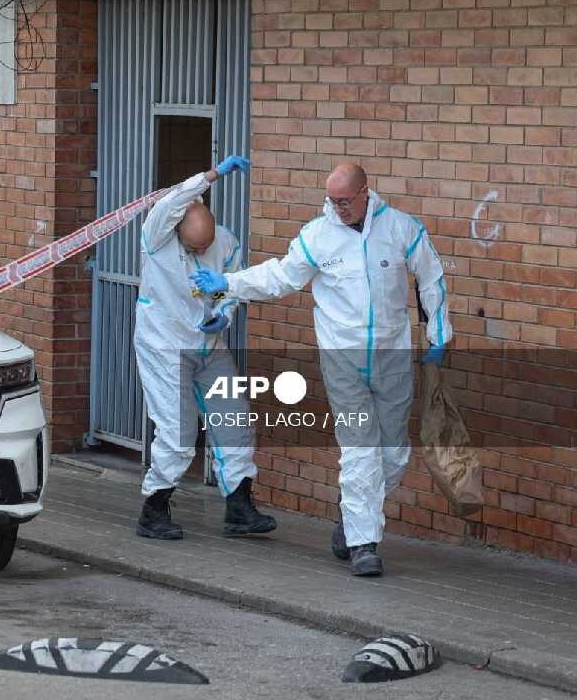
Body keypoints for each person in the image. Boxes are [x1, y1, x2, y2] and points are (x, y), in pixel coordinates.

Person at [191, 163, 451, 576]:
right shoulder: (318, 236)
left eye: (345, 201)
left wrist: (438, 337)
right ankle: (364, 545)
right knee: (361, 448)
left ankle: (351, 518)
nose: (338, 208)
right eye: (333, 201)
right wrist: (227, 282)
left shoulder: (401, 229)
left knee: (395, 453)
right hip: (342, 358)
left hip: (392, 355)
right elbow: (279, 277)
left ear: (366, 192)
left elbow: (432, 279)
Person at [133, 155, 277, 541]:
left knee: (235, 420)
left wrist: (224, 316)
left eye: (205, 246)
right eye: (194, 247)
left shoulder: (225, 242)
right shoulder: (158, 234)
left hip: (209, 343)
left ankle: (239, 507)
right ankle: (155, 507)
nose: (201, 252)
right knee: (178, 431)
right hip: (164, 344)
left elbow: (233, 289)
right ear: (179, 229)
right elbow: (172, 200)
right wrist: (211, 175)